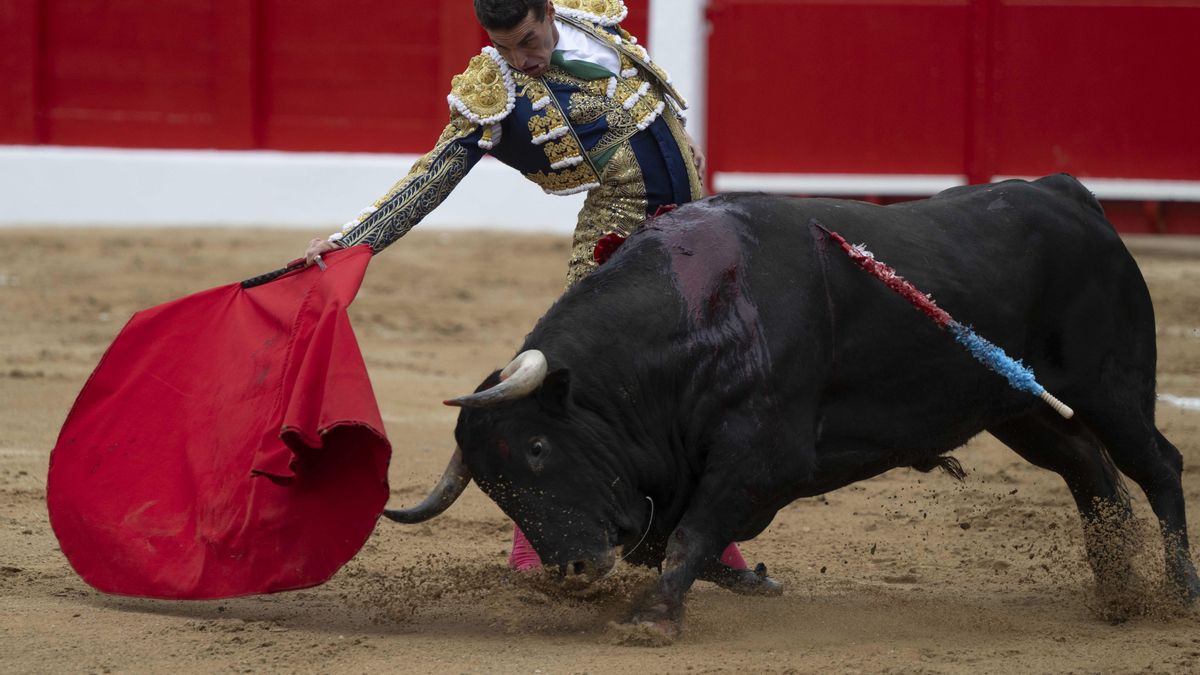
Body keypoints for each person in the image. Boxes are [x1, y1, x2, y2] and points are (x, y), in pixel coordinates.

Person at [304, 0, 764, 581]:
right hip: (619, 247)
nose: (523, 60)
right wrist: (353, 242)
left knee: (695, 385)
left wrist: (680, 142)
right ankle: (532, 546)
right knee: (571, 393)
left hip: (694, 232)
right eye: (505, 47)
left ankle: (709, 544)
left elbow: (646, 105)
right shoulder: (495, 93)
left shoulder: (587, 20)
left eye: (527, 40)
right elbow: (432, 177)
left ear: (548, 12)